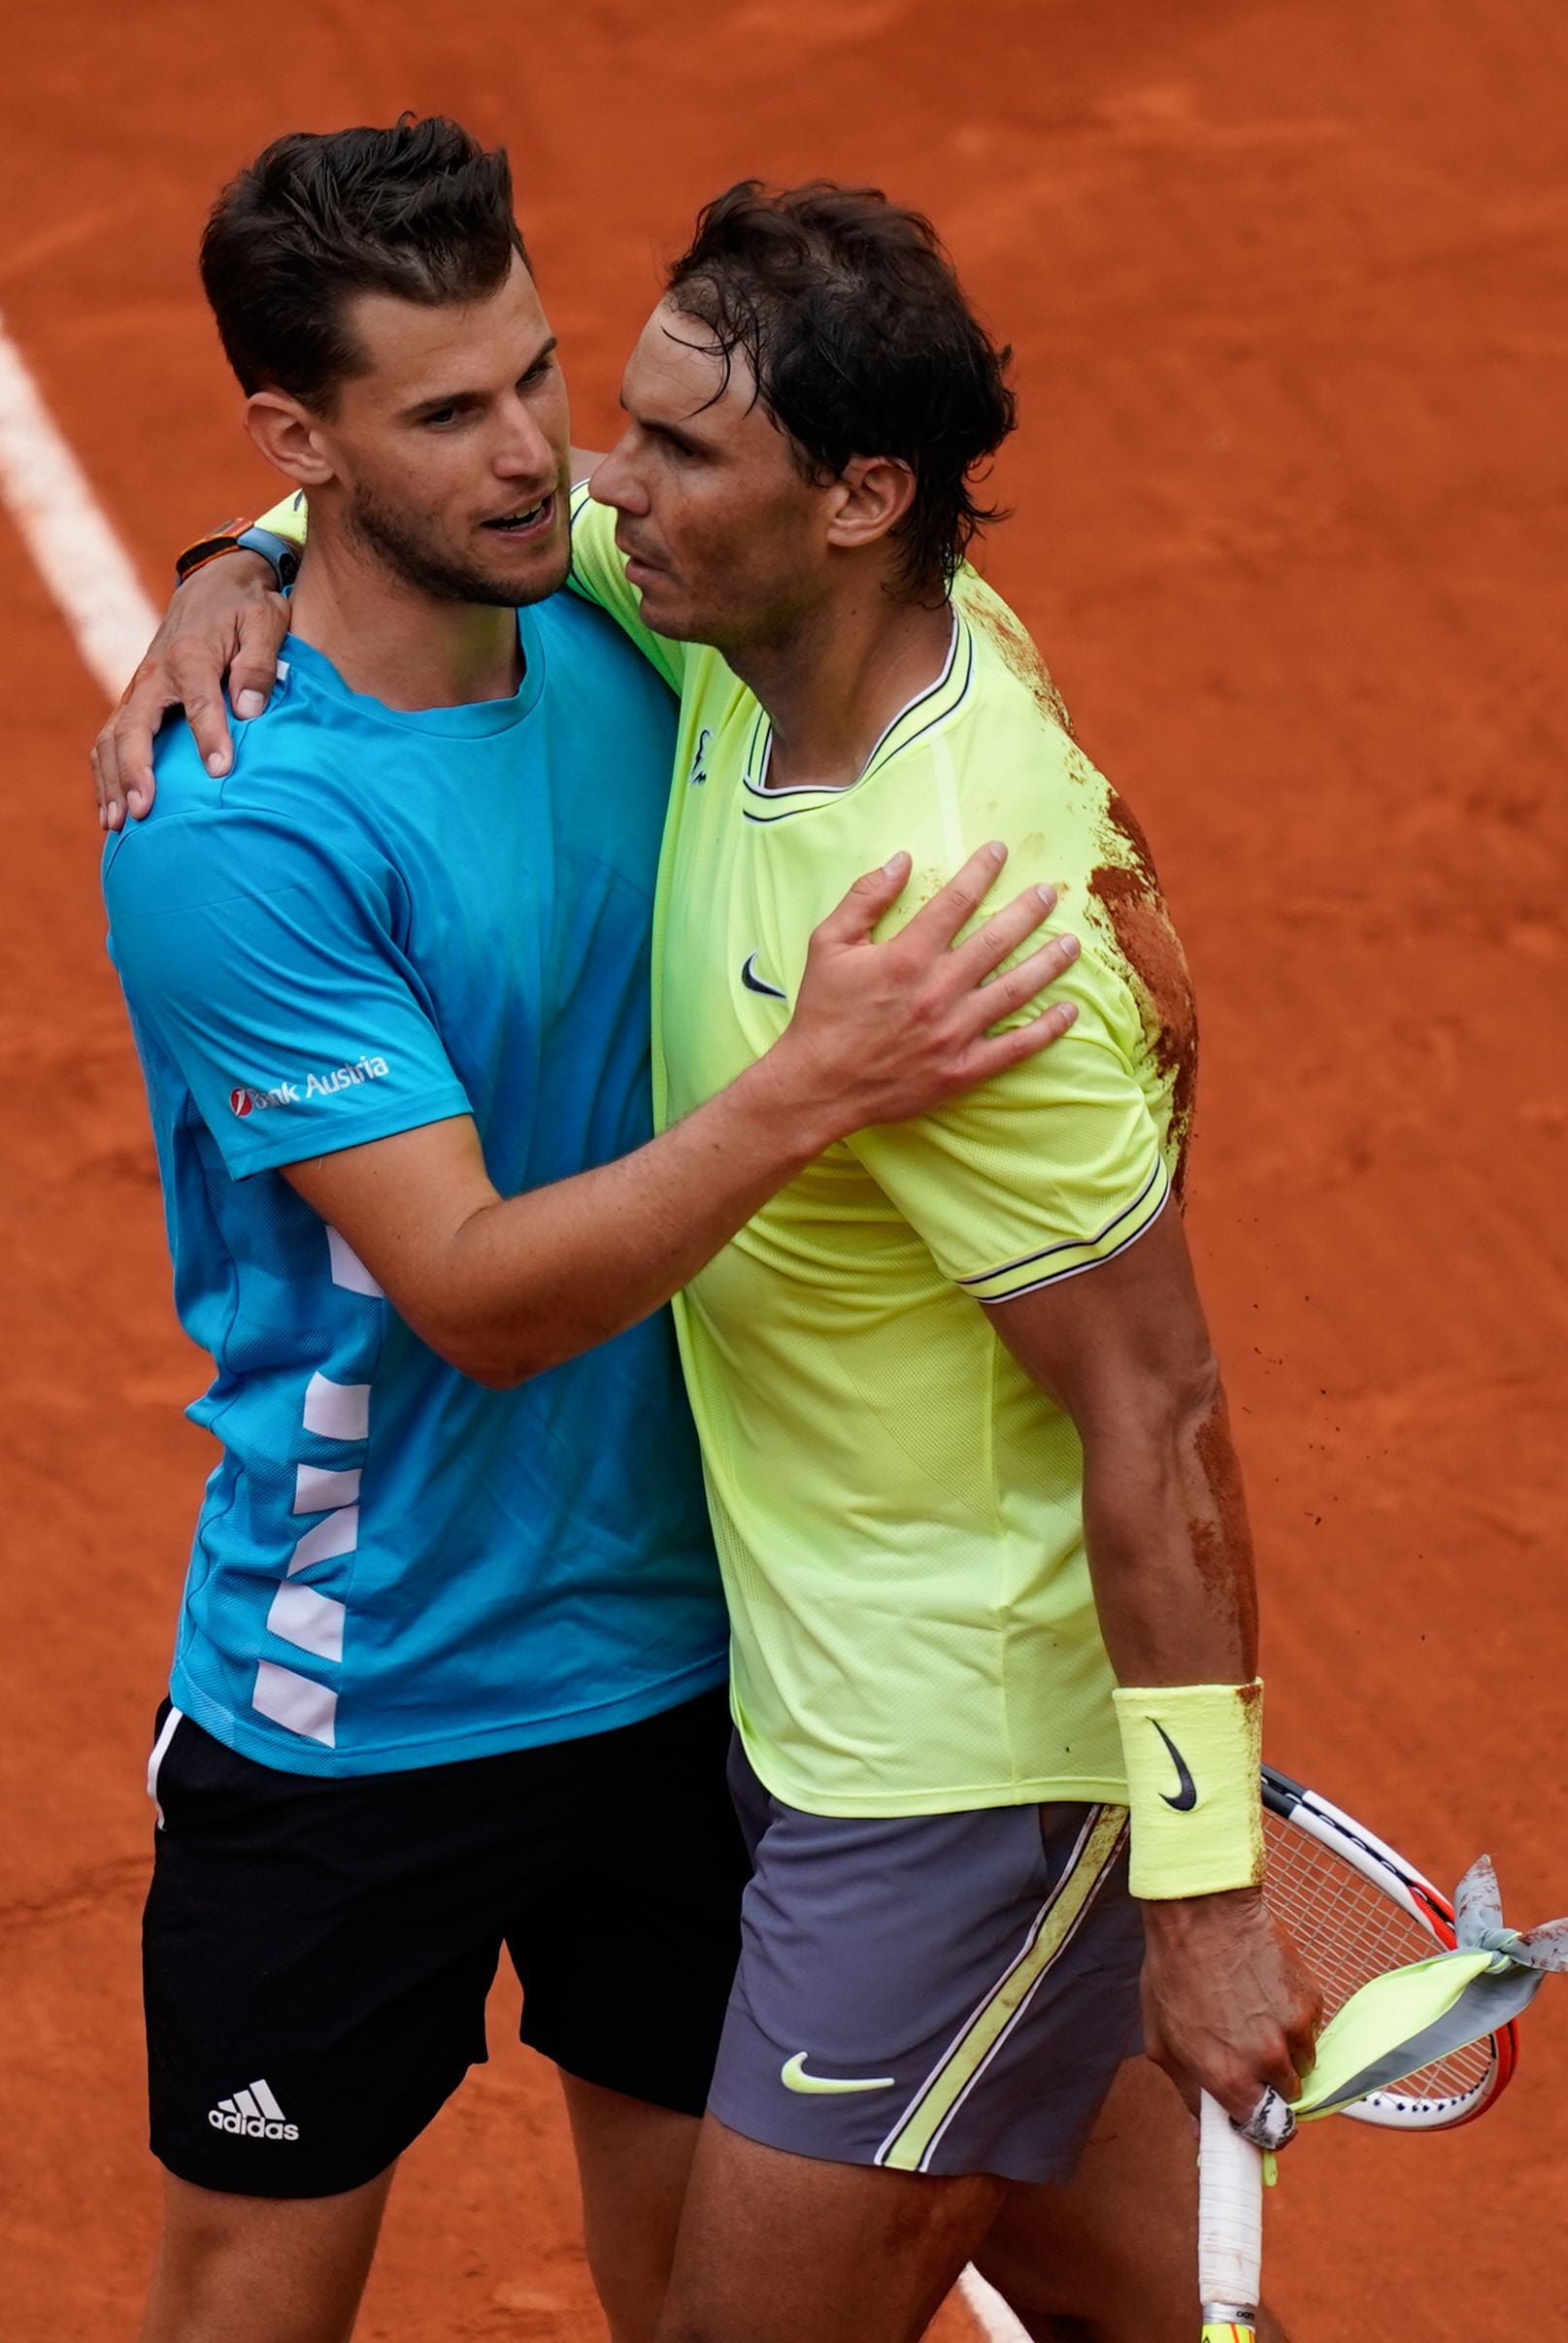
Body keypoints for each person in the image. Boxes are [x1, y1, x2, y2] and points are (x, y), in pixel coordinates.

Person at [95, 122, 1083, 2343]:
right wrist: (813, 1083)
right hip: (364, 1700)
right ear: (302, 437)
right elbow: (471, 1292)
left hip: (697, 1674)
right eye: (446, 415)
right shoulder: (231, 832)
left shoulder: (634, 619)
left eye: (538, 374)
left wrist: (222, 552)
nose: (544, 458)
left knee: (696, 2304)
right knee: (247, 2302)